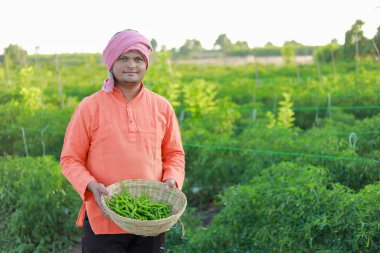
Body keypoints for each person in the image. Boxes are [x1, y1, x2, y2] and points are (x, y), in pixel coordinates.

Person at [60, 29, 185, 253]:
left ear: (146, 64)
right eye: (123, 58)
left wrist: (172, 179)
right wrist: (90, 185)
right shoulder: (90, 106)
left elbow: (174, 154)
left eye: (138, 59)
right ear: (111, 62)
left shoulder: (161, 106)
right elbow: (70, 159)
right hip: (103, 217)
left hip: (150, 220)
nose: (131, 65)